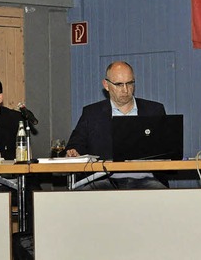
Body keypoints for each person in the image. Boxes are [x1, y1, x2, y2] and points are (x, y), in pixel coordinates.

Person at [65, 61, 168, 189]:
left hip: (146, 180)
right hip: (103, 179)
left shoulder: (154, 110)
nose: (125, 90)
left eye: (130, 83)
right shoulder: (92, 114)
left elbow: (167, 150)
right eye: (119, 84)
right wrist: (73, 152)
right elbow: (76, 144)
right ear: (106, 85)